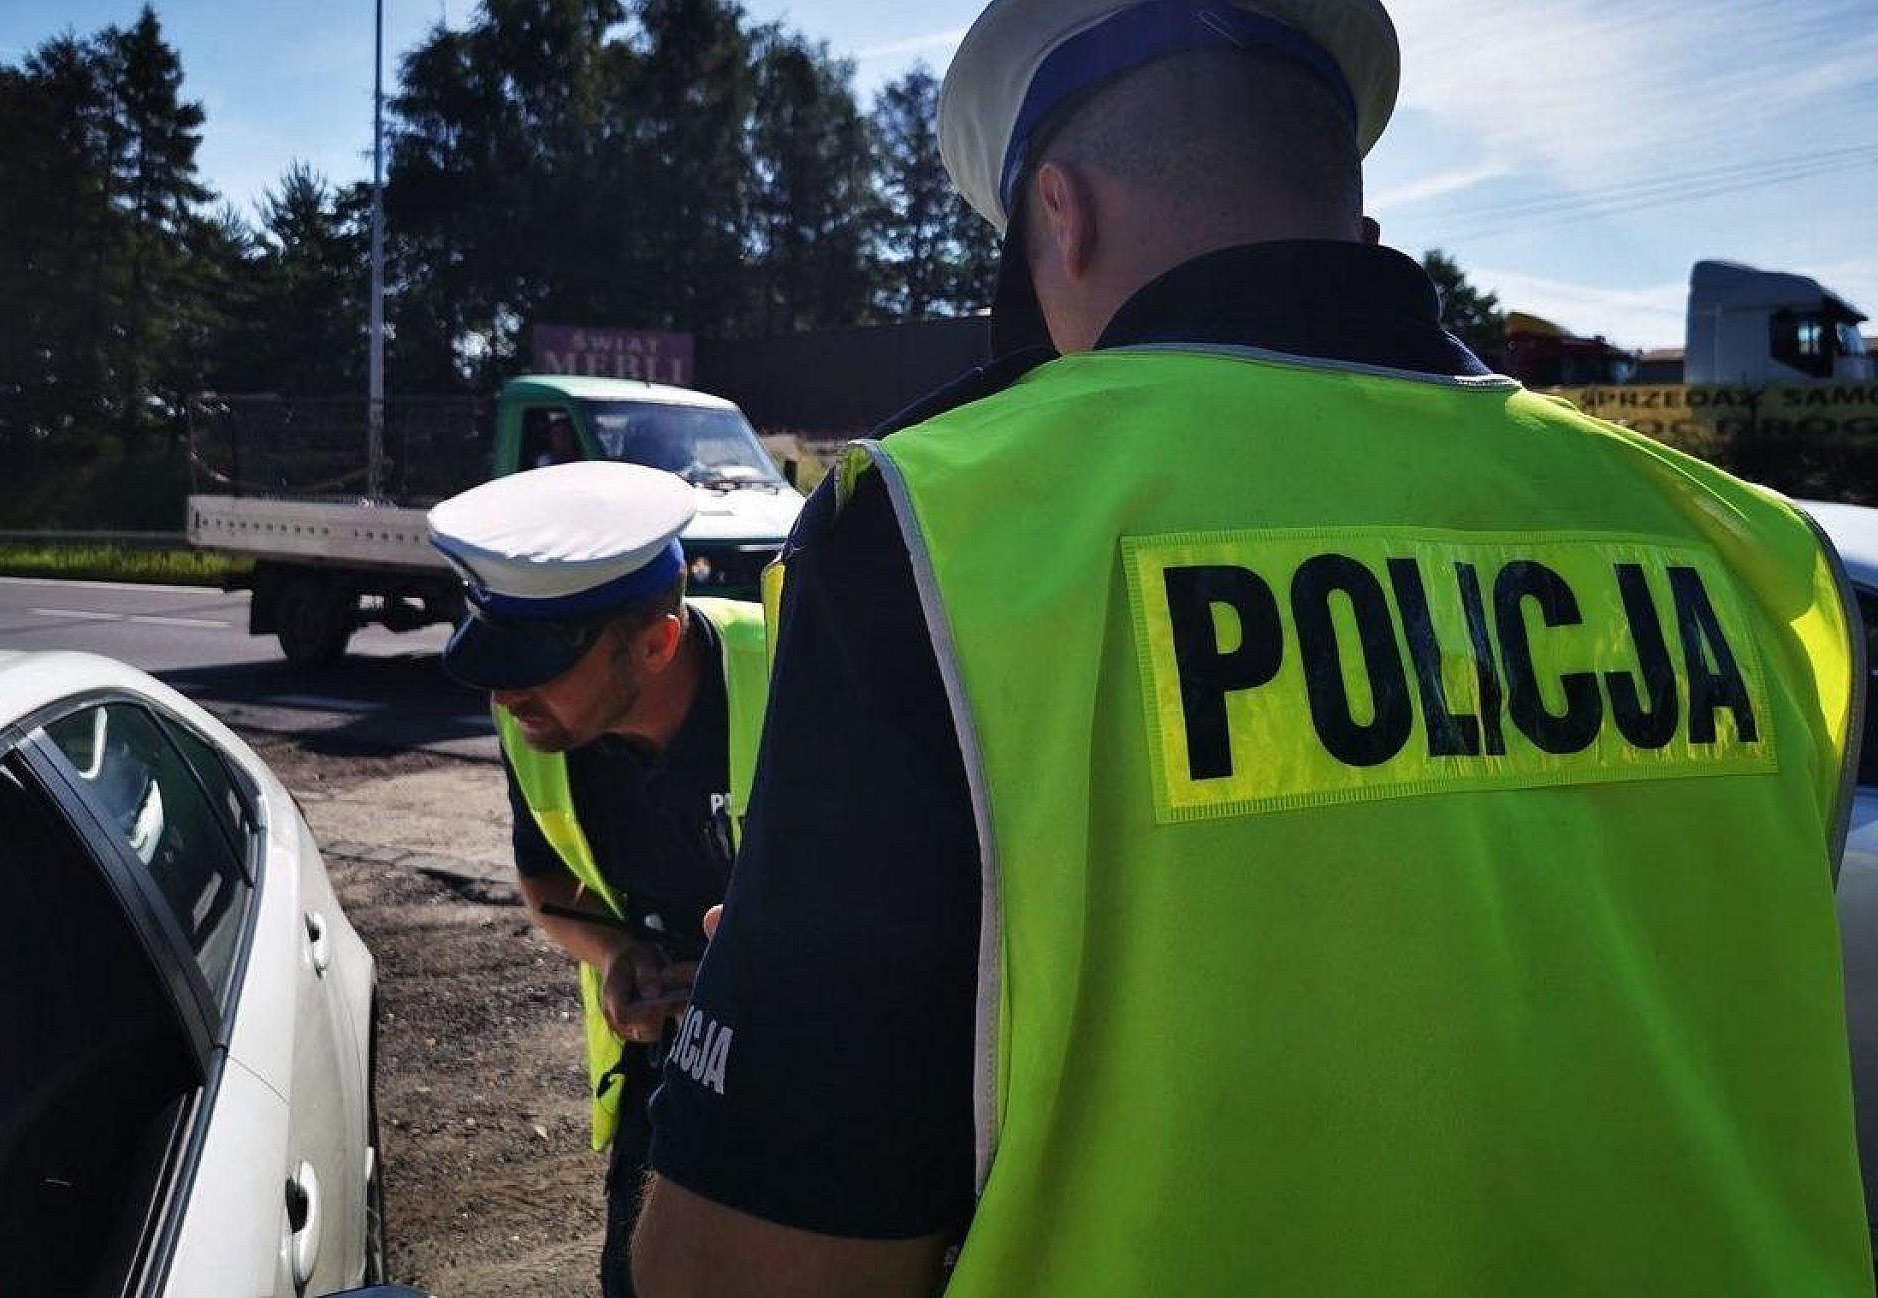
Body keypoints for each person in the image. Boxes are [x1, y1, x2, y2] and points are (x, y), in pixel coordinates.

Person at [633, 1, 1874, 1295]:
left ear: (1060, 214)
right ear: (1357, 217)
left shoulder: (941, 524)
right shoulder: (1757, 551)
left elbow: (743, 1271)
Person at [426, 462, 770, 1298]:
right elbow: (546, 881)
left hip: (819, 1066)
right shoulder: (531, 717)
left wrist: (761, 978)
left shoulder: (796, 665)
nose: (507, 697)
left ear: (655, 643)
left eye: (537, 664)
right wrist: (613, 952)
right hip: (665, 1071)